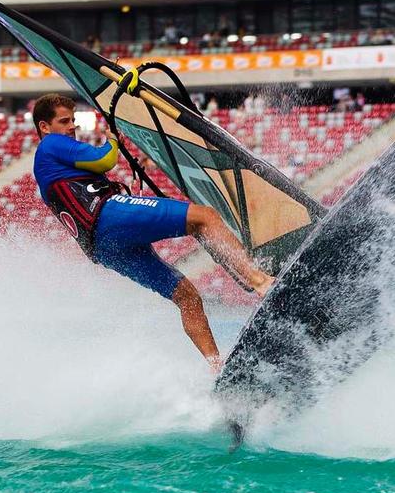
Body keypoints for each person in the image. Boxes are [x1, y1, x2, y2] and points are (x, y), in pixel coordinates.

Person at [30, 94, 273, 373]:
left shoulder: (53, 162)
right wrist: (112, 138)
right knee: (205, 217)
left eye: (72, 120)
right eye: (64, 121)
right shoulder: (51, 144)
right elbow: (105, 159)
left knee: (187, 296)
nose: (72, 126)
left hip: (102, 248)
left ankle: (216, 368)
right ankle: (261, 282)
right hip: (107, 217)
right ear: (45, 127)